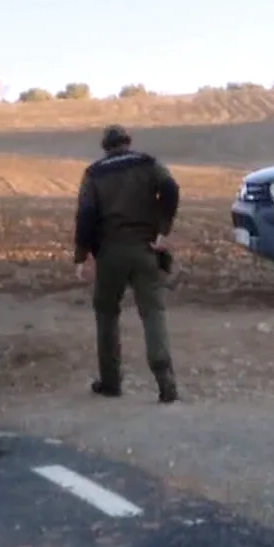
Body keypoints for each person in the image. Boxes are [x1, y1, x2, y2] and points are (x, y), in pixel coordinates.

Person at [73, 124, 182, 403]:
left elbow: (86, 215)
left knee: (107, 315)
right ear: (128, 142)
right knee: (153, 314)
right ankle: (165, 381)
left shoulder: (94, 173)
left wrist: (82, 256)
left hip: (110, 254)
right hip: (146, 249)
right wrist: (162, 230)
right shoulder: (148, 163)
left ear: (105, 147)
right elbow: (170, 188)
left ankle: (111, 382)